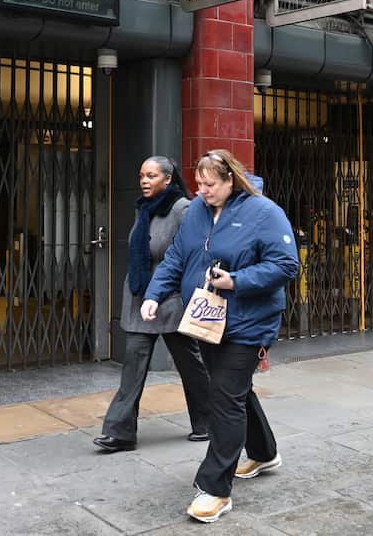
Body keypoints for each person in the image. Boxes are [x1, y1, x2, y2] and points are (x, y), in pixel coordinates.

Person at [141, 148, 300, 524]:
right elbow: (177, 256)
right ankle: (264, 452)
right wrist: (154, 294)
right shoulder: (197, 211)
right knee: (233, 391)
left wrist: (237, 281)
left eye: (210, 184)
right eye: (199, 184)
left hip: (250, 322)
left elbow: (286, 264)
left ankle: (214, 489)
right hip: (208, 319)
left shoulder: (264, 212)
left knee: (224, 397)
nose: (202, 191)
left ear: (231, 180)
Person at [94, 156, 211, 452]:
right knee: (133, 364)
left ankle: (208, 422)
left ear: (168, 179)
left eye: (151, 176)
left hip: (170, 299)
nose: (144, 181)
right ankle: (119, 432)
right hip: (139, 297)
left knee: (191, 365)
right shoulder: (144, 208)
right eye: (142, 175)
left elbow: (193, 255)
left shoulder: (182, 209)